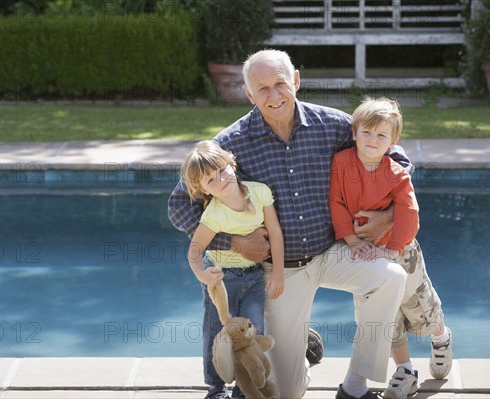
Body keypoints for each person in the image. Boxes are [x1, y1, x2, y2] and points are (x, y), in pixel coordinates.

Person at [169, 49, 411, 399]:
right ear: (248, 93)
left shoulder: (334, 125)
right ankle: (302, 349)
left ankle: (355, 385)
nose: (274, 95)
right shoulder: (229, 145)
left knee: (391, 278)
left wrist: (387, 216)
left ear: (296, 81)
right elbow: (180, 206)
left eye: (280, 83)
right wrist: (234, 244)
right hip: (279, 272)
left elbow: (397, 158)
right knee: (286, 393)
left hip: (333, 250)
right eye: (262, 88)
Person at [328, 97, 453, 399]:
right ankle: (406, 369)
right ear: (354, 132)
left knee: (420, 309)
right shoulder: (341, 163)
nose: (372, 140)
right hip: (363, 254)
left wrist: (392, 250)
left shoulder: (396, 174)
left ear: (392, 141)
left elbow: (410, 214)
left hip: (401, 253)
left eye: (381, 135)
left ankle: (441, 337)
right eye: (366, 132)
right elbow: (336, 202)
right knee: (386, 317)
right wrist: (352, 239)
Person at [181, 140, 285, 399]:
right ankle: (216, 388)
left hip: (254, 275)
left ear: (231, 164)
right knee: (217, 331)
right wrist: (202, 275)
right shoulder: (213, 214)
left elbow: (275, 232)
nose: (220, 180)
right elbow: (195, 250)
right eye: (210, 181)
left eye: (221, 170)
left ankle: (244, 386)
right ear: (202, 189)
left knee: (252, 330)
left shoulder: (259, 192)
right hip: (222, 278)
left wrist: (278, 272)